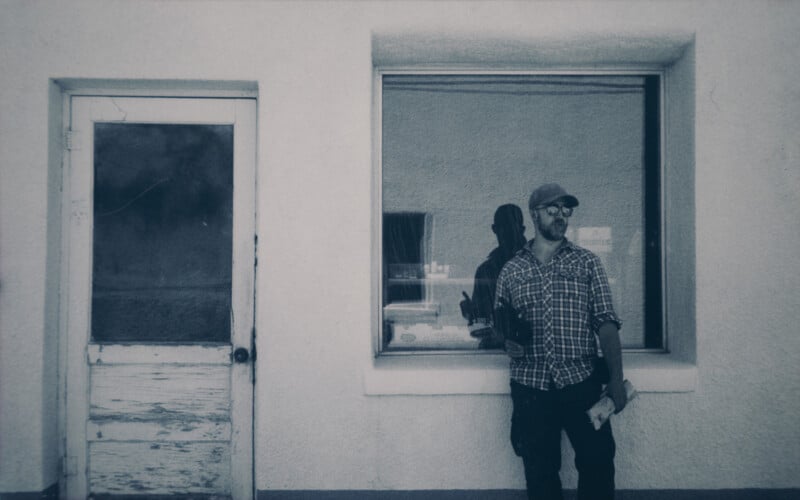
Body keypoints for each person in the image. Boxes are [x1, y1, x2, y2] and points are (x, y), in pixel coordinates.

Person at [494, 183, 626, 500]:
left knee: (597, 468)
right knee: (540, 474)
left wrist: (616, 381)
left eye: (566, 209)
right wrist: (508, 342)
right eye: (553, 208)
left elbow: (606, 324)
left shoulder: (587, 263)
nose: (561, 215)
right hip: (530, 387)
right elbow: (502, 326)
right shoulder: (512, 269)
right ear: (535, 214)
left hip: (582, 382)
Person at [460, 204, 527, 349]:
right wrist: (470, 313)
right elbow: (480, 322)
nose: (508, 233)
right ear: (494, 230)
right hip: (495, 352)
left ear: (522, 230)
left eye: (512, 227)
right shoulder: (486, 271)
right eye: (503, 227)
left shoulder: (538, 265)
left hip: (531, 353)